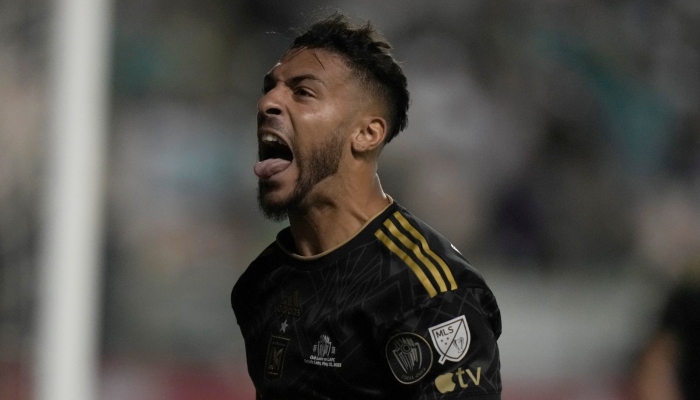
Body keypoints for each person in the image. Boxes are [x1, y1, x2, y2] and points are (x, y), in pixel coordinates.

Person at [231, 12, 502, 400]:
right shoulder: (260, 285)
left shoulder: (428, 293)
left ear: (366, 133)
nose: (268, 102)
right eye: (269, 87)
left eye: (302, 92)